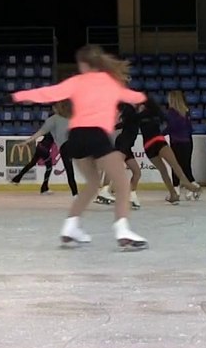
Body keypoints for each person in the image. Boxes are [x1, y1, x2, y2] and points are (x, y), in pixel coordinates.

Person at [14, 44, 148, 249]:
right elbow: (135, 97)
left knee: (93, 184)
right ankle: (122, 228)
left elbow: (48, 93)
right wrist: (149, 102)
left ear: (84, 64)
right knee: (121, 183)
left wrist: (15, 96)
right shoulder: (109, 82)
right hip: (96, 135)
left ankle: (70, 226)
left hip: (74, 138)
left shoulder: (76, 81)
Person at [136, 97, 201, 205]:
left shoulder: (137, 116)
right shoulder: (157, 113)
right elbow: (171, 122)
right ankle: (185, 182)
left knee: (163, 171)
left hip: (148, 146)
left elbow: (127, 124)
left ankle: (173, 194)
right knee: (175, 164)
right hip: (158, 141)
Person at [96, 103, 142, 210]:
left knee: (137, 172)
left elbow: (120, 125)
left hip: (127, 145)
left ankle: (131, 195)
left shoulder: (131, 118)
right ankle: (105, 190)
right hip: (124, 143)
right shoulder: (134, 116)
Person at [165, 90, 196, 197]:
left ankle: (177, 188)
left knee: (176, 166)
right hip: (187, 141)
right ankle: (192, 186)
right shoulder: (186, 111)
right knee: (186, 165)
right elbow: (190, 128)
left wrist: (160, 133)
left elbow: (171, 127)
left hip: (177, 142)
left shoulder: (172, 112)